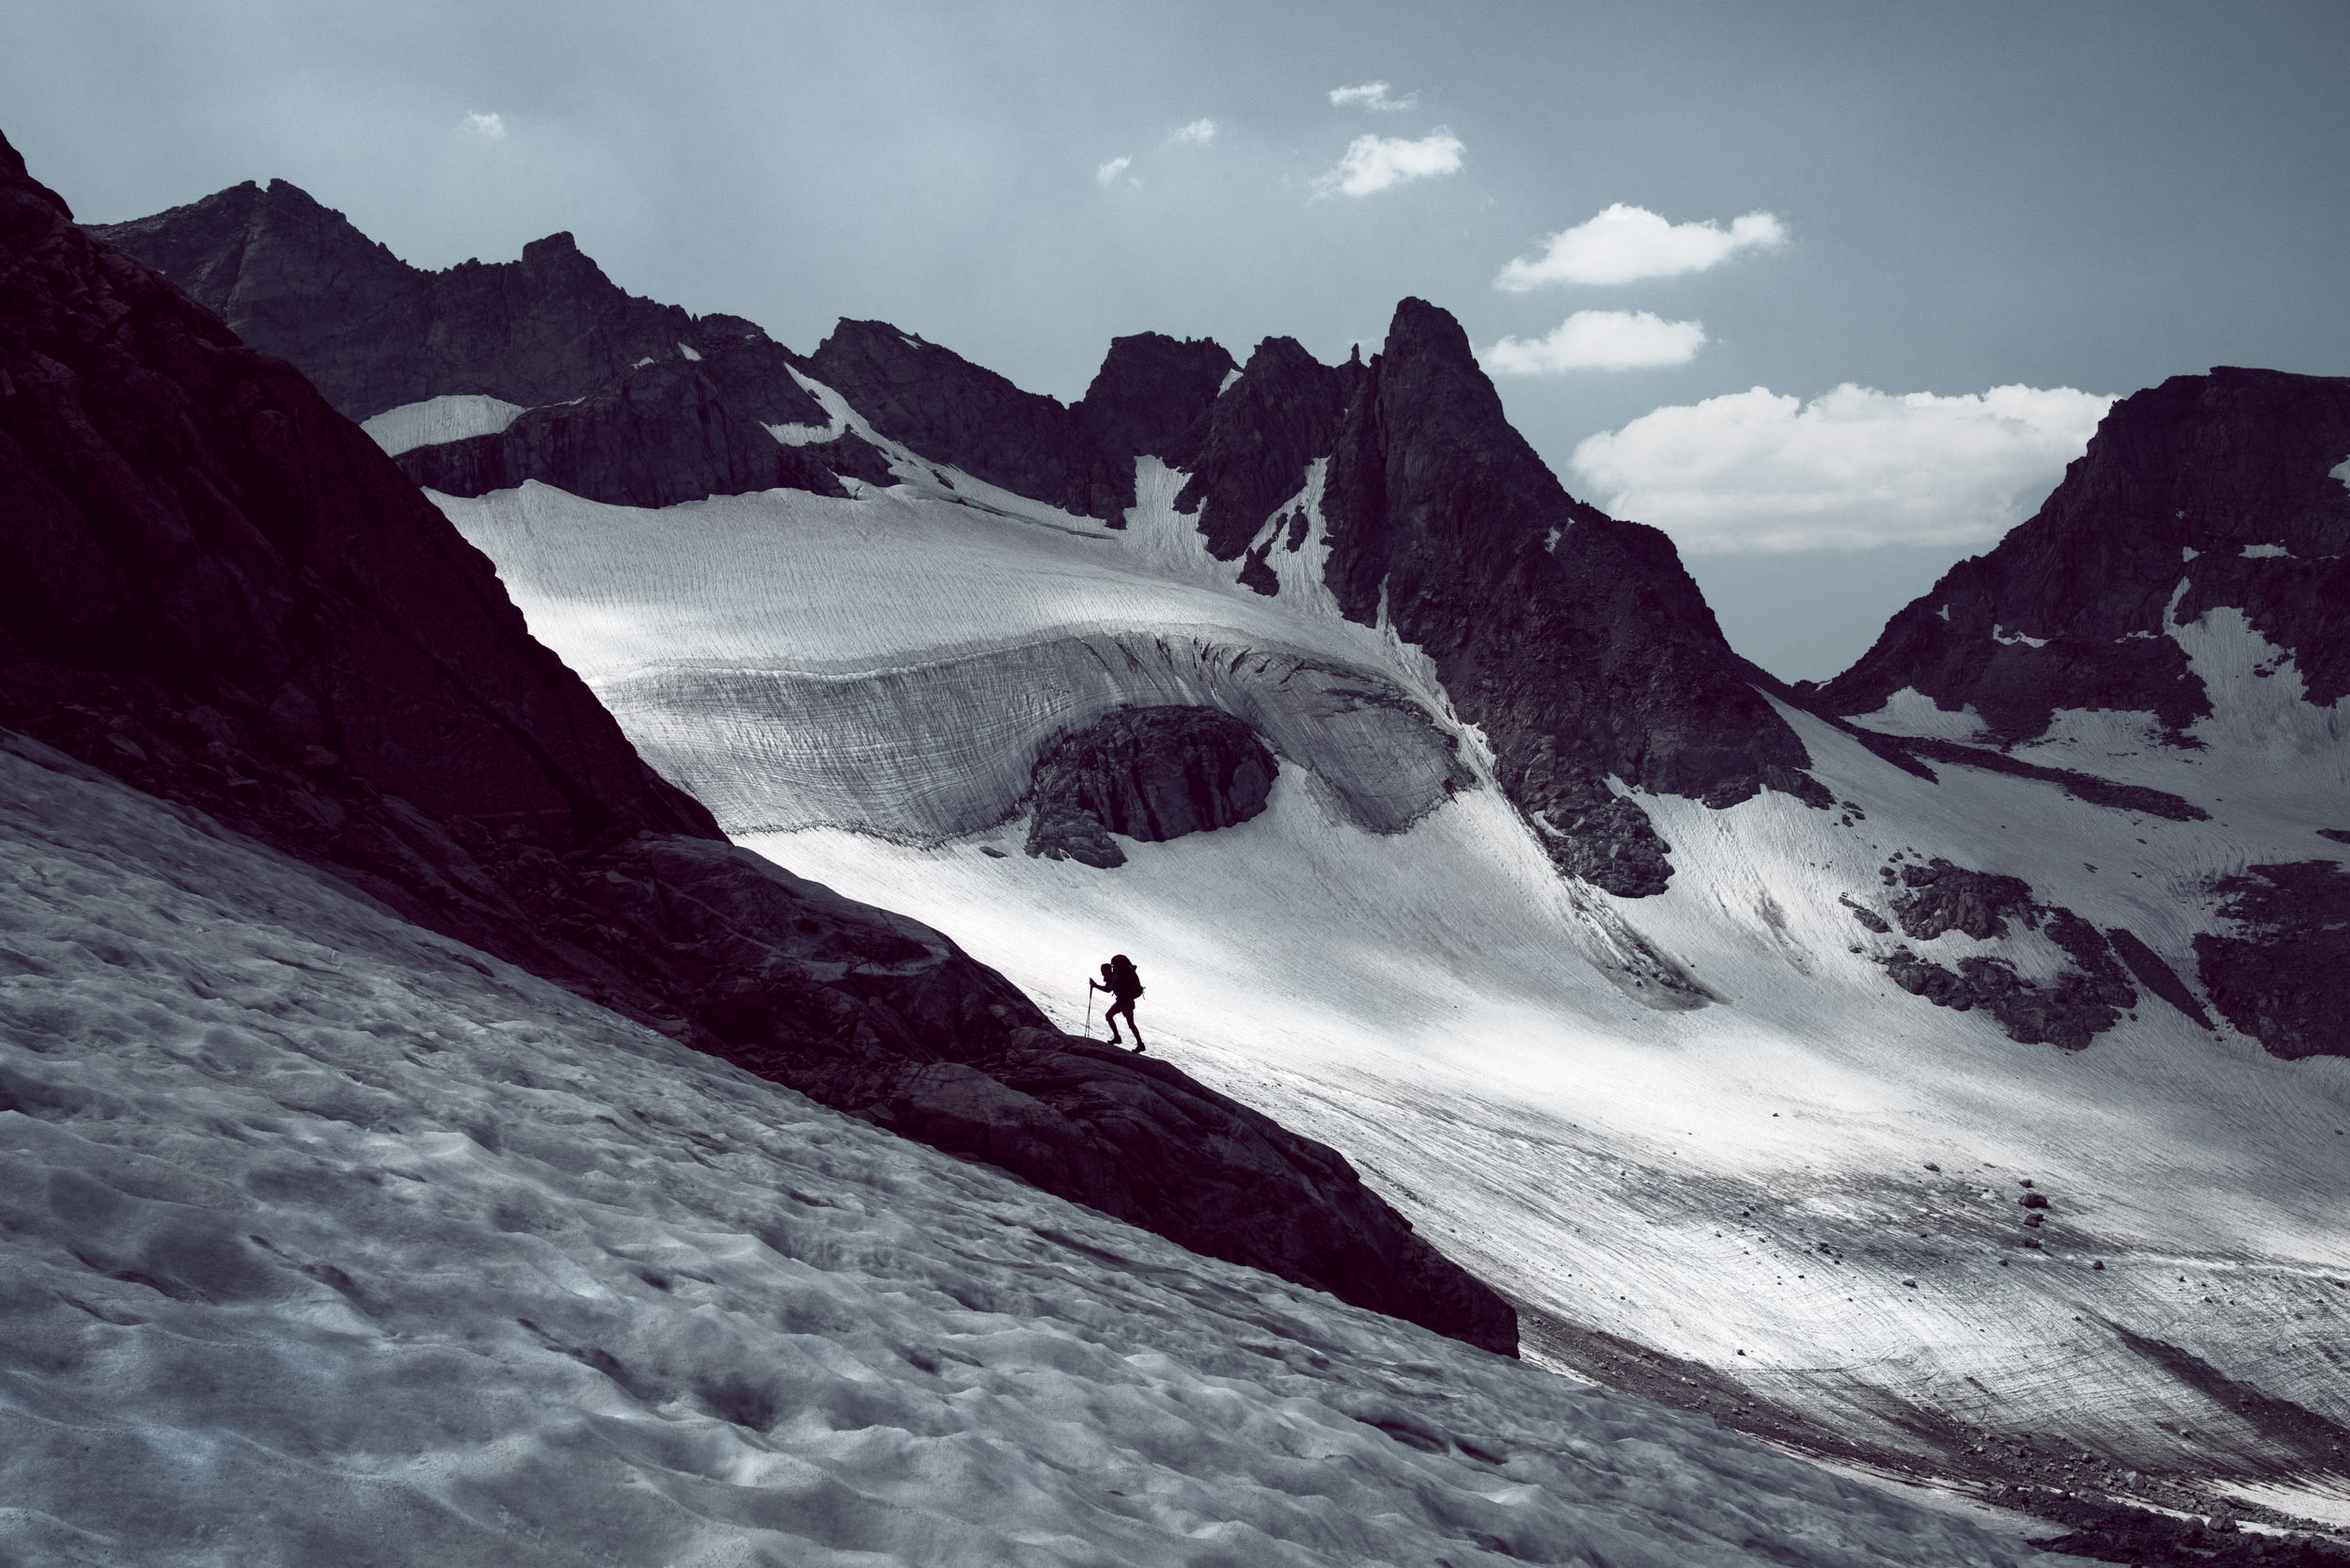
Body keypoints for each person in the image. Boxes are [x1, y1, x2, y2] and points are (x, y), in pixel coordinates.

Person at [1090, 954, 1146, 1052]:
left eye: (1103, 971)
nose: (1102, 974)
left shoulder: (1116, 977)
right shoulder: (1115, 976)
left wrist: (1095, 986)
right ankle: (1120, 1038)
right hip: (1123, 1001)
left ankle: (1137, 1044)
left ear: (1108, 969)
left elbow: (1108, 989)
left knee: (1129, 1023)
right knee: (1111, 1017)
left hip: (1125, 1002)